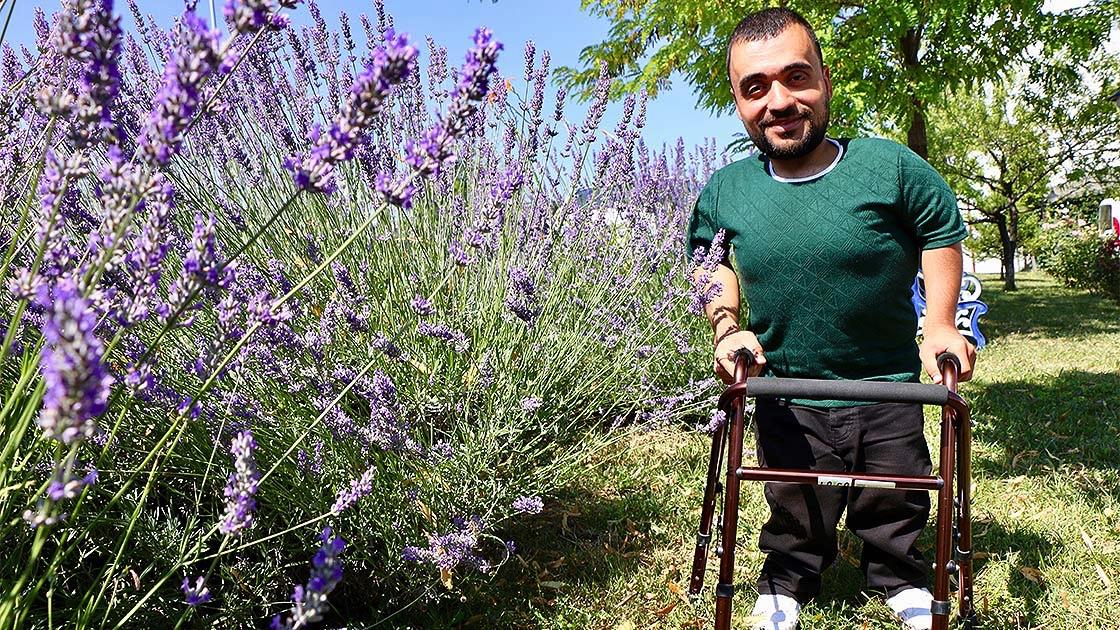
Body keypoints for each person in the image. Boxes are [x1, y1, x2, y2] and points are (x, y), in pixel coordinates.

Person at [685, 7, 976, 630]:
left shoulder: (889, 166)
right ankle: (786, 580)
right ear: (738, 100)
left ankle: (900, 579)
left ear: (827, 78)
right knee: (795, 501)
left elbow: (940, 231)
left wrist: (943, 322)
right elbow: (711, 263)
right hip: (785, 384)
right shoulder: (727, 189)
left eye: (797, 78)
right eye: (755, 88)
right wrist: (725, 324)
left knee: (895, 494)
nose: (780, 101)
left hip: (888, 380)